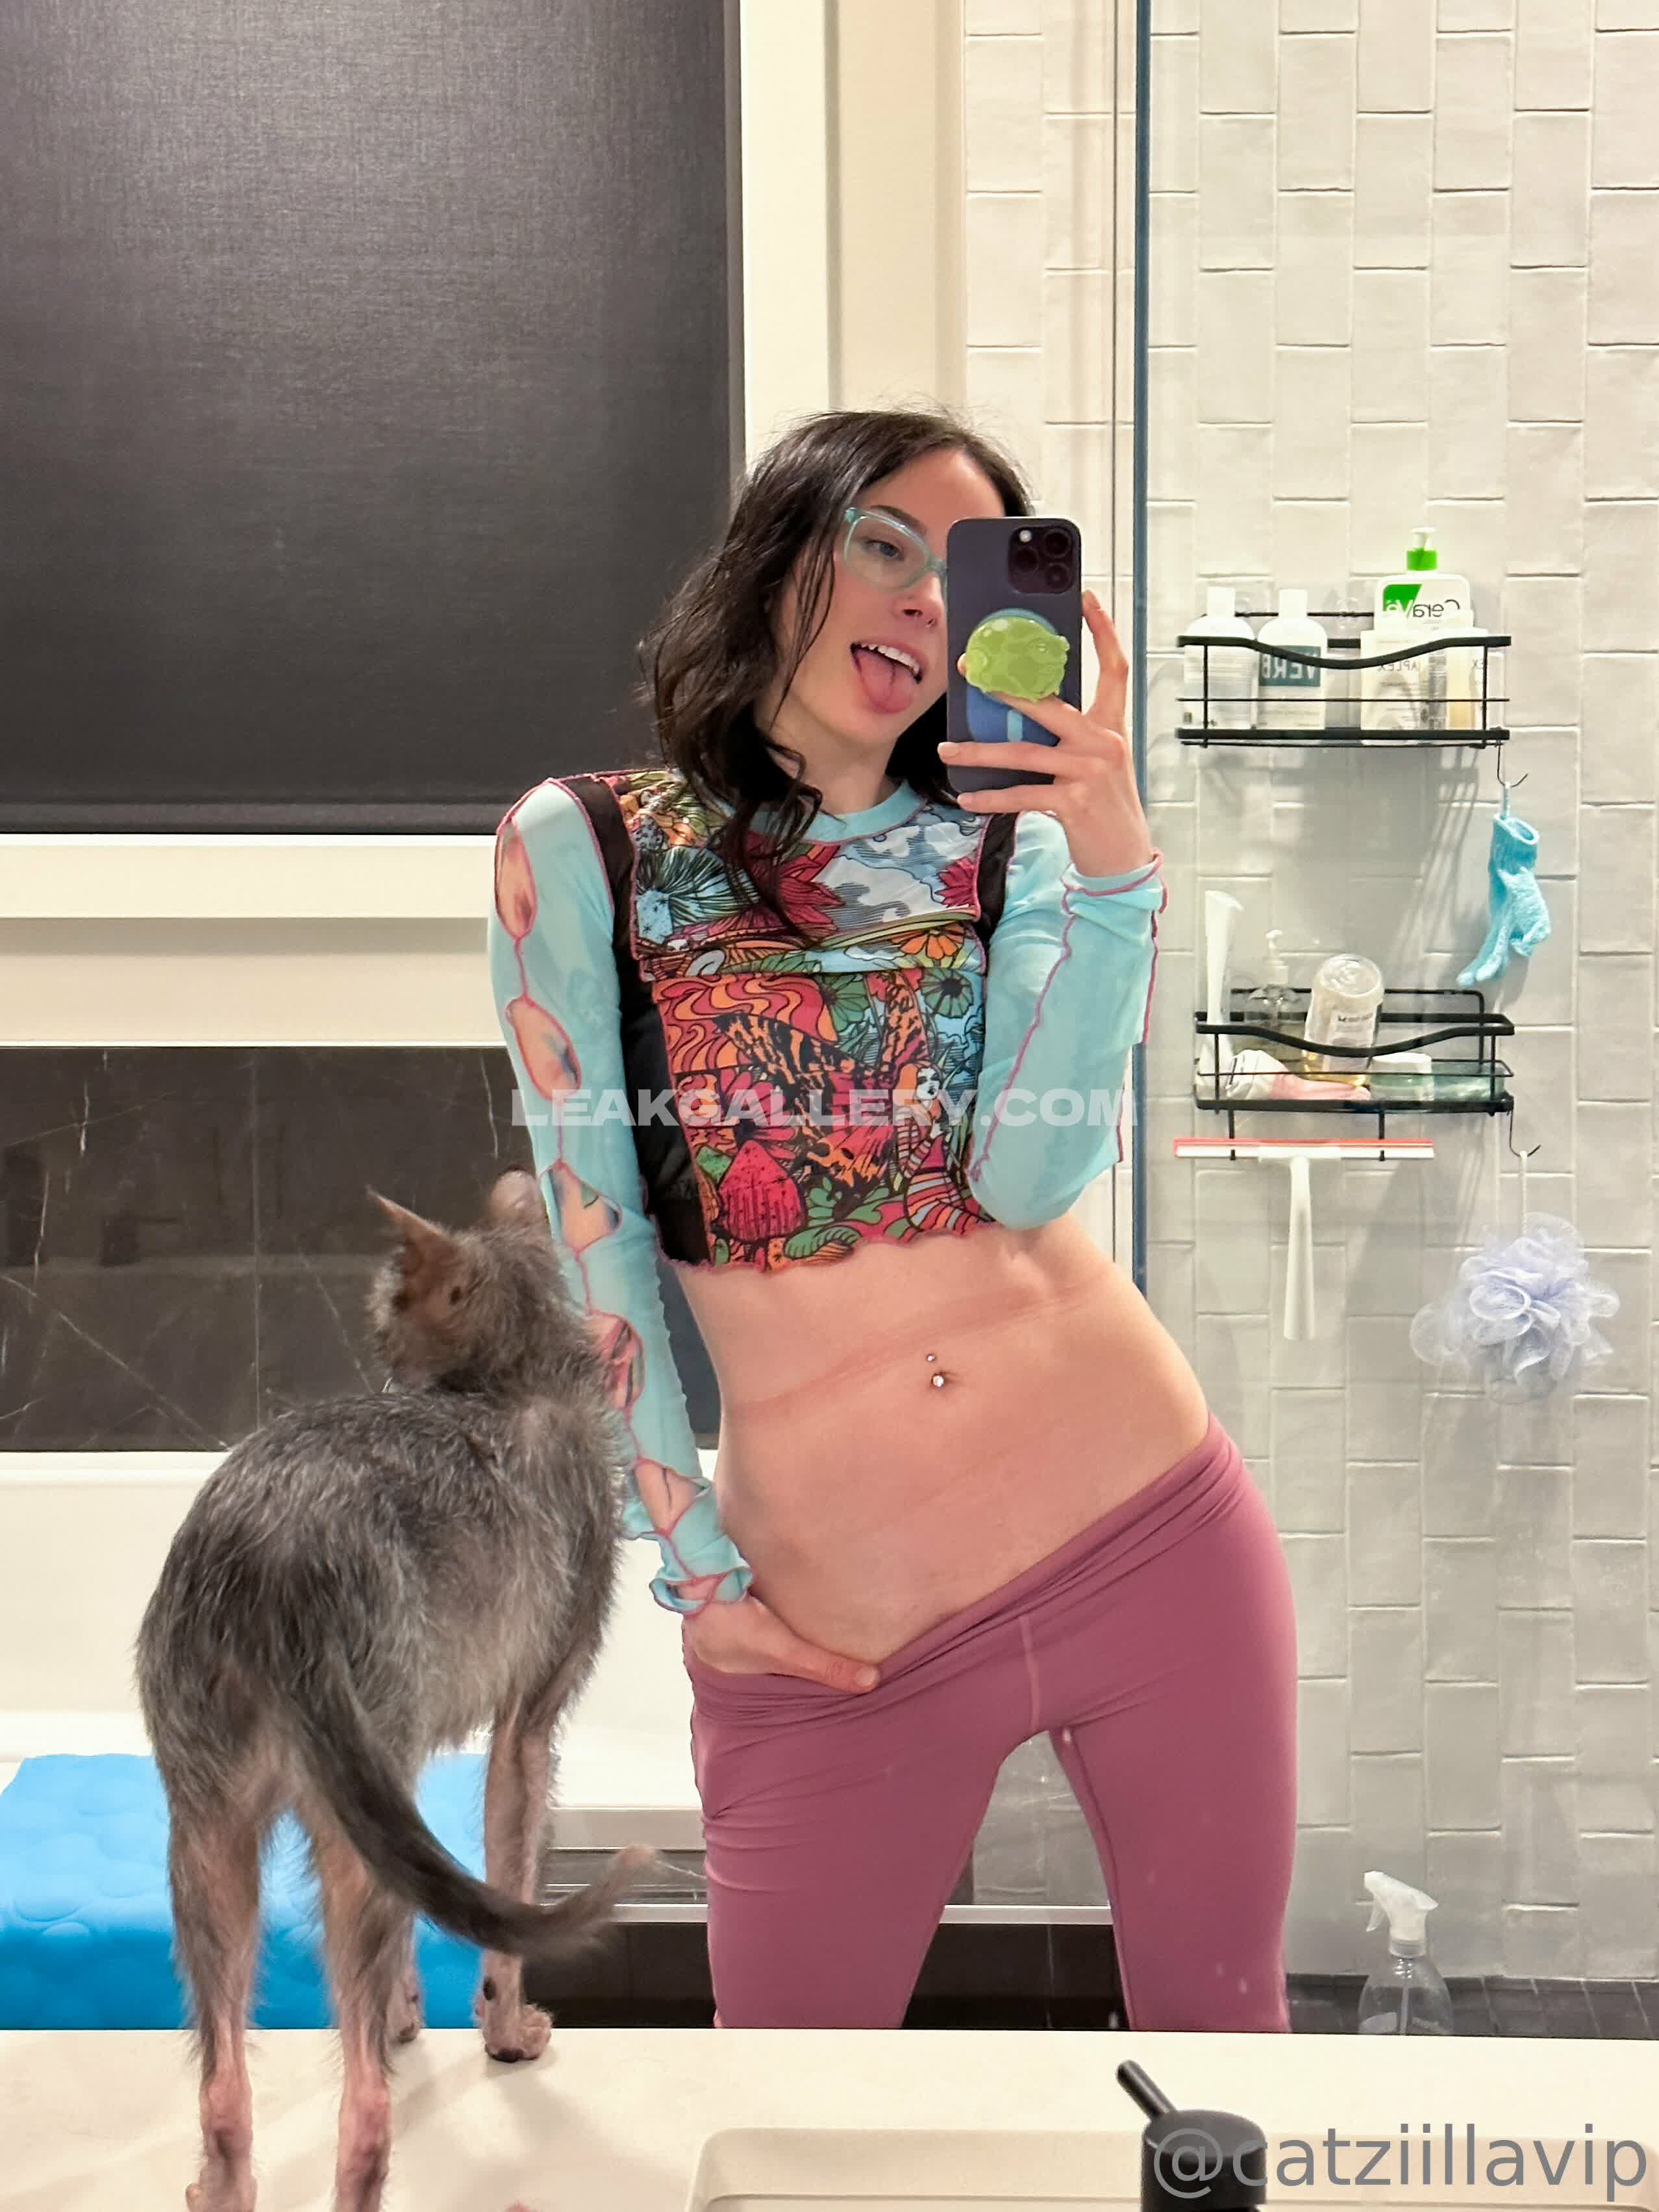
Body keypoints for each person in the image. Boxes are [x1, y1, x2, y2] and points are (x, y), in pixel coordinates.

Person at [487, 406, 1297, 2032]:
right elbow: (597, 1234)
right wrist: (698, 1578)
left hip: (1150, 1538)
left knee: (1228, 2069)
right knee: (786, 2105)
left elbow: (1029, 1180)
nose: (926, 602)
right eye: (884, 546)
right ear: (778, 553)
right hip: (837, 1627)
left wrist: (1115, 867)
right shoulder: (586, 845)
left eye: (963, 572)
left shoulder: (1012, 850)